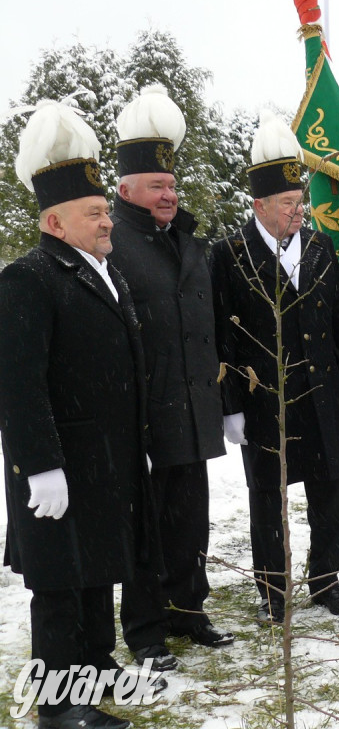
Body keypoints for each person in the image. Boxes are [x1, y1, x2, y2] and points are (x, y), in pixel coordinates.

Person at [0, 102, 161, 729]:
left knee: (100, 568)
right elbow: (17, 383)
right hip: (61, 463)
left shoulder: (104, 271)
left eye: (104, 212)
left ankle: (93, 666)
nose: (107, 223)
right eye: (94, 213)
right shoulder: (28, 279)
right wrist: (40, 466)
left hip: (107, 459)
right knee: (63, 582)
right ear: (53, 221)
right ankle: (61, 704)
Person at [209, 112, 339, 623]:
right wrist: (230, 406)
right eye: (288, 204)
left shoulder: (321, 247)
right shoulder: (229, 255)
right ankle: (273, 589)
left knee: (328, 491)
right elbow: (223, 336)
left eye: (301, 202)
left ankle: (326, 580)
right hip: (265, 398)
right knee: (268, 498)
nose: (300, 212)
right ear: (259, 205)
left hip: (320, 392)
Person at [108, 84, 232, 670]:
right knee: (147, 524)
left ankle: (189, 608)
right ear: (126, 190)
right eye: (157, 186)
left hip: (192, 402)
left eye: (173, 185)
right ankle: (146, 628)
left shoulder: (188, 240)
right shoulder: (114, 245)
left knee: (190, 516)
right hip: (147, 408)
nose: (168, 193)